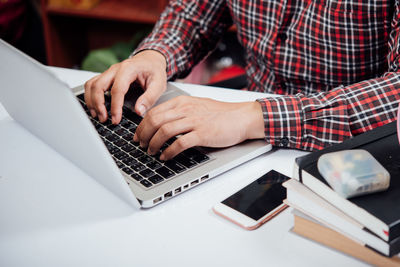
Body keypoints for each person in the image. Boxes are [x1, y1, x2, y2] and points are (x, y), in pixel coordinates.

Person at [84, 0, 400, 161]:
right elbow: (194, 13)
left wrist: (254, 117)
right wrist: (155, 55)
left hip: (352, 151)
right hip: (240, 127)